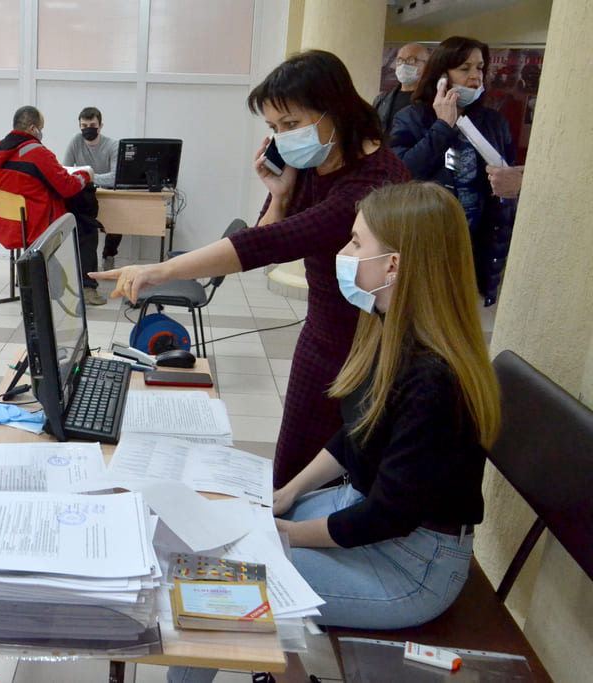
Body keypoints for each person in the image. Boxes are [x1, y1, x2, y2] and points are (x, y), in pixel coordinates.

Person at [169, 181, 501, 683]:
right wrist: (286, 494)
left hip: (414, 565)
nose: (343, 253)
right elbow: (356, 433)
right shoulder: (389, 329)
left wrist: (291, 537)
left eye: (356, 243)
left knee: (220, 590)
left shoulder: (435, 380)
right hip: (372, 515)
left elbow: (387, 516)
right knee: (234, 537)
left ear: (393, 265)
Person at [92, 50, 410, 488]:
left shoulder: (373, 182)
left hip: (367, 343)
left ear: (333, 110)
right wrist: (279, 195)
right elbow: (273, 241)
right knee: (295, 462)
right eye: (274, 128)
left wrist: (161, 270)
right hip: (322, 332)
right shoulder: (314, 164)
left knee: (341, 470)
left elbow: (266, 244)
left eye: (292, 124)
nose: (282, 137)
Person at [389, 36, 517, 306]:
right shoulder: (412, 118)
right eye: (464, 68)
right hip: (426, 244)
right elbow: (402, 173)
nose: (474, 77)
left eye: (480, 68)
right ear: (442, 75)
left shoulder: (493, 122)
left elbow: (508, 180)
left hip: (475, 245)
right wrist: (442, 127)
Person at [0, 105, 105, 305]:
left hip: (9, 223)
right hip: (38, 225)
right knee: (86, 225)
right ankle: (83, 285)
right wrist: (86, 175)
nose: (42, 132)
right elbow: (67, 187)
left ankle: (30, 276)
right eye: (41, 127)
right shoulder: (37, 152)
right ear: (33, 129)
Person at [63, 106, 122, 270]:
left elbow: (115, 178)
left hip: (108, 195)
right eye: (84, 126)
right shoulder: (76, 141)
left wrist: (86, 177)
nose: (88, 129)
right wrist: (86, 179)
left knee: (118, 221)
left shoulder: (113, 145)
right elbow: (65, 171)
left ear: (100, 126)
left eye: (92, 125)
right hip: (84, 196)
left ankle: (109, 254)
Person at [373, 43, 430, 134]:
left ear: (427, 65)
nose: (403, 65)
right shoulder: (382, 100)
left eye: (411, 60)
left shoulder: (434, 101)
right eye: (399, 60)